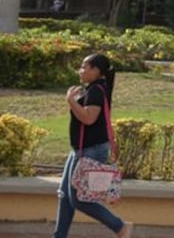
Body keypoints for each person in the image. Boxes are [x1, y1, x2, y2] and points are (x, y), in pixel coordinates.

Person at [53, 54, 132, 238]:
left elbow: (89, 118)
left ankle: (119, 227)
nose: (80, 71)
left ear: (96, 70)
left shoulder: (96, 90)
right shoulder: (95, 88)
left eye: (84, 67)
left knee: (79, 199)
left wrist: (71, 101)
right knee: (65, 195)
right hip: (80, 150)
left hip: (91, 151)